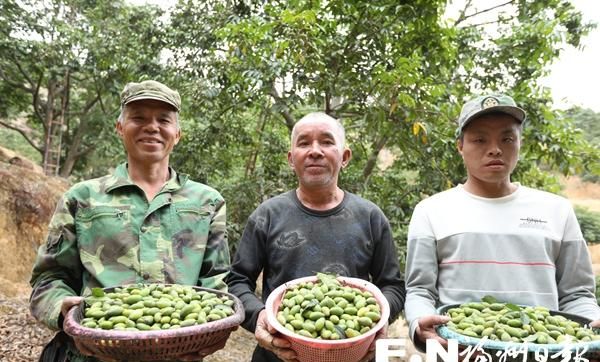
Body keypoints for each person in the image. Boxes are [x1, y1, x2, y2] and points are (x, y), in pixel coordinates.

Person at [29, 80, 231, 362]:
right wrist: (62, 308)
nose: (152, 127)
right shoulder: (82, 198)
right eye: (138, 117)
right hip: (92, 354)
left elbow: (216, 282)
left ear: (178, 133)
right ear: (120, 128)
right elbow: (48, 278)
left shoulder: (207, 202)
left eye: (163, 119)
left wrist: (215, 330)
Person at [404, 94, 600, 350]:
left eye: (507, 138)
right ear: (460, 146)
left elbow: (577, 294)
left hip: (542, 352)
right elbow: (420, 291)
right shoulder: (431, 211)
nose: (495, 149)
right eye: (479, 139)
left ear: (520, 144)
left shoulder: (557, 210)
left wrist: (592, 325)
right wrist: (419, 325)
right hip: (463, 352)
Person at [226, 111, 405, 362]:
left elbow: (393, 286)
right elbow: (237, 281)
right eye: (304, 143)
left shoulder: (370, 217)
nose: (315, 151)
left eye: (327, 142)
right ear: (291, 159)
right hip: (279, 355)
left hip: (354, 355)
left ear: (344, 157)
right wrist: (259, 316)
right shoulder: (267, 215)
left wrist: (379, 320)